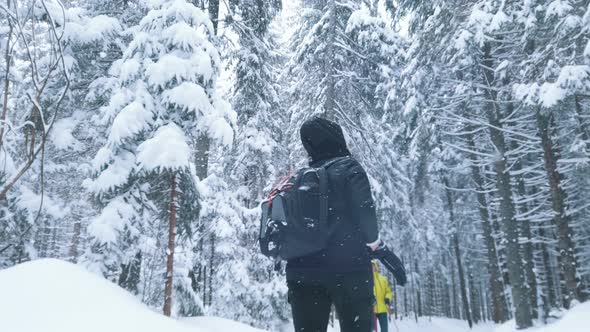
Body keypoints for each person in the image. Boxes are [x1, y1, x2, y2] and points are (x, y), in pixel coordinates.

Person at [287, 117, 382, 332]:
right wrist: (375, 243)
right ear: (337, 138)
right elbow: (366, 215)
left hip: (302, 272)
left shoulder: (299, 178)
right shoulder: (350, 168)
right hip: (350, 270)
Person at [371, 260, 393, 332]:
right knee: (372, 330)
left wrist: (387, 298)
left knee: (384, 330)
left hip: (383, 308)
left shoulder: (383, 279)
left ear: (376, 267)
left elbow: (388, 292)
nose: (372, 268)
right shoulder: (367, 280)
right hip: (371, 310)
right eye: (370, 266)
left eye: (373, 266)